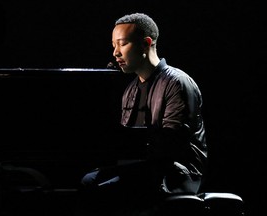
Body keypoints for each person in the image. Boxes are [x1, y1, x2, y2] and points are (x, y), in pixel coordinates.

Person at [78, 12, 208, 214]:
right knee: (89, 179)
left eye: (122, 44)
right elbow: (126, 141)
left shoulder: (177, 82)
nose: (115, 53)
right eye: (114, 45)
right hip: (144, 168)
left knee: (104, 191)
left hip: (174, 172)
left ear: (146, 43)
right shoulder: (130, 89)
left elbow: (172, 142)